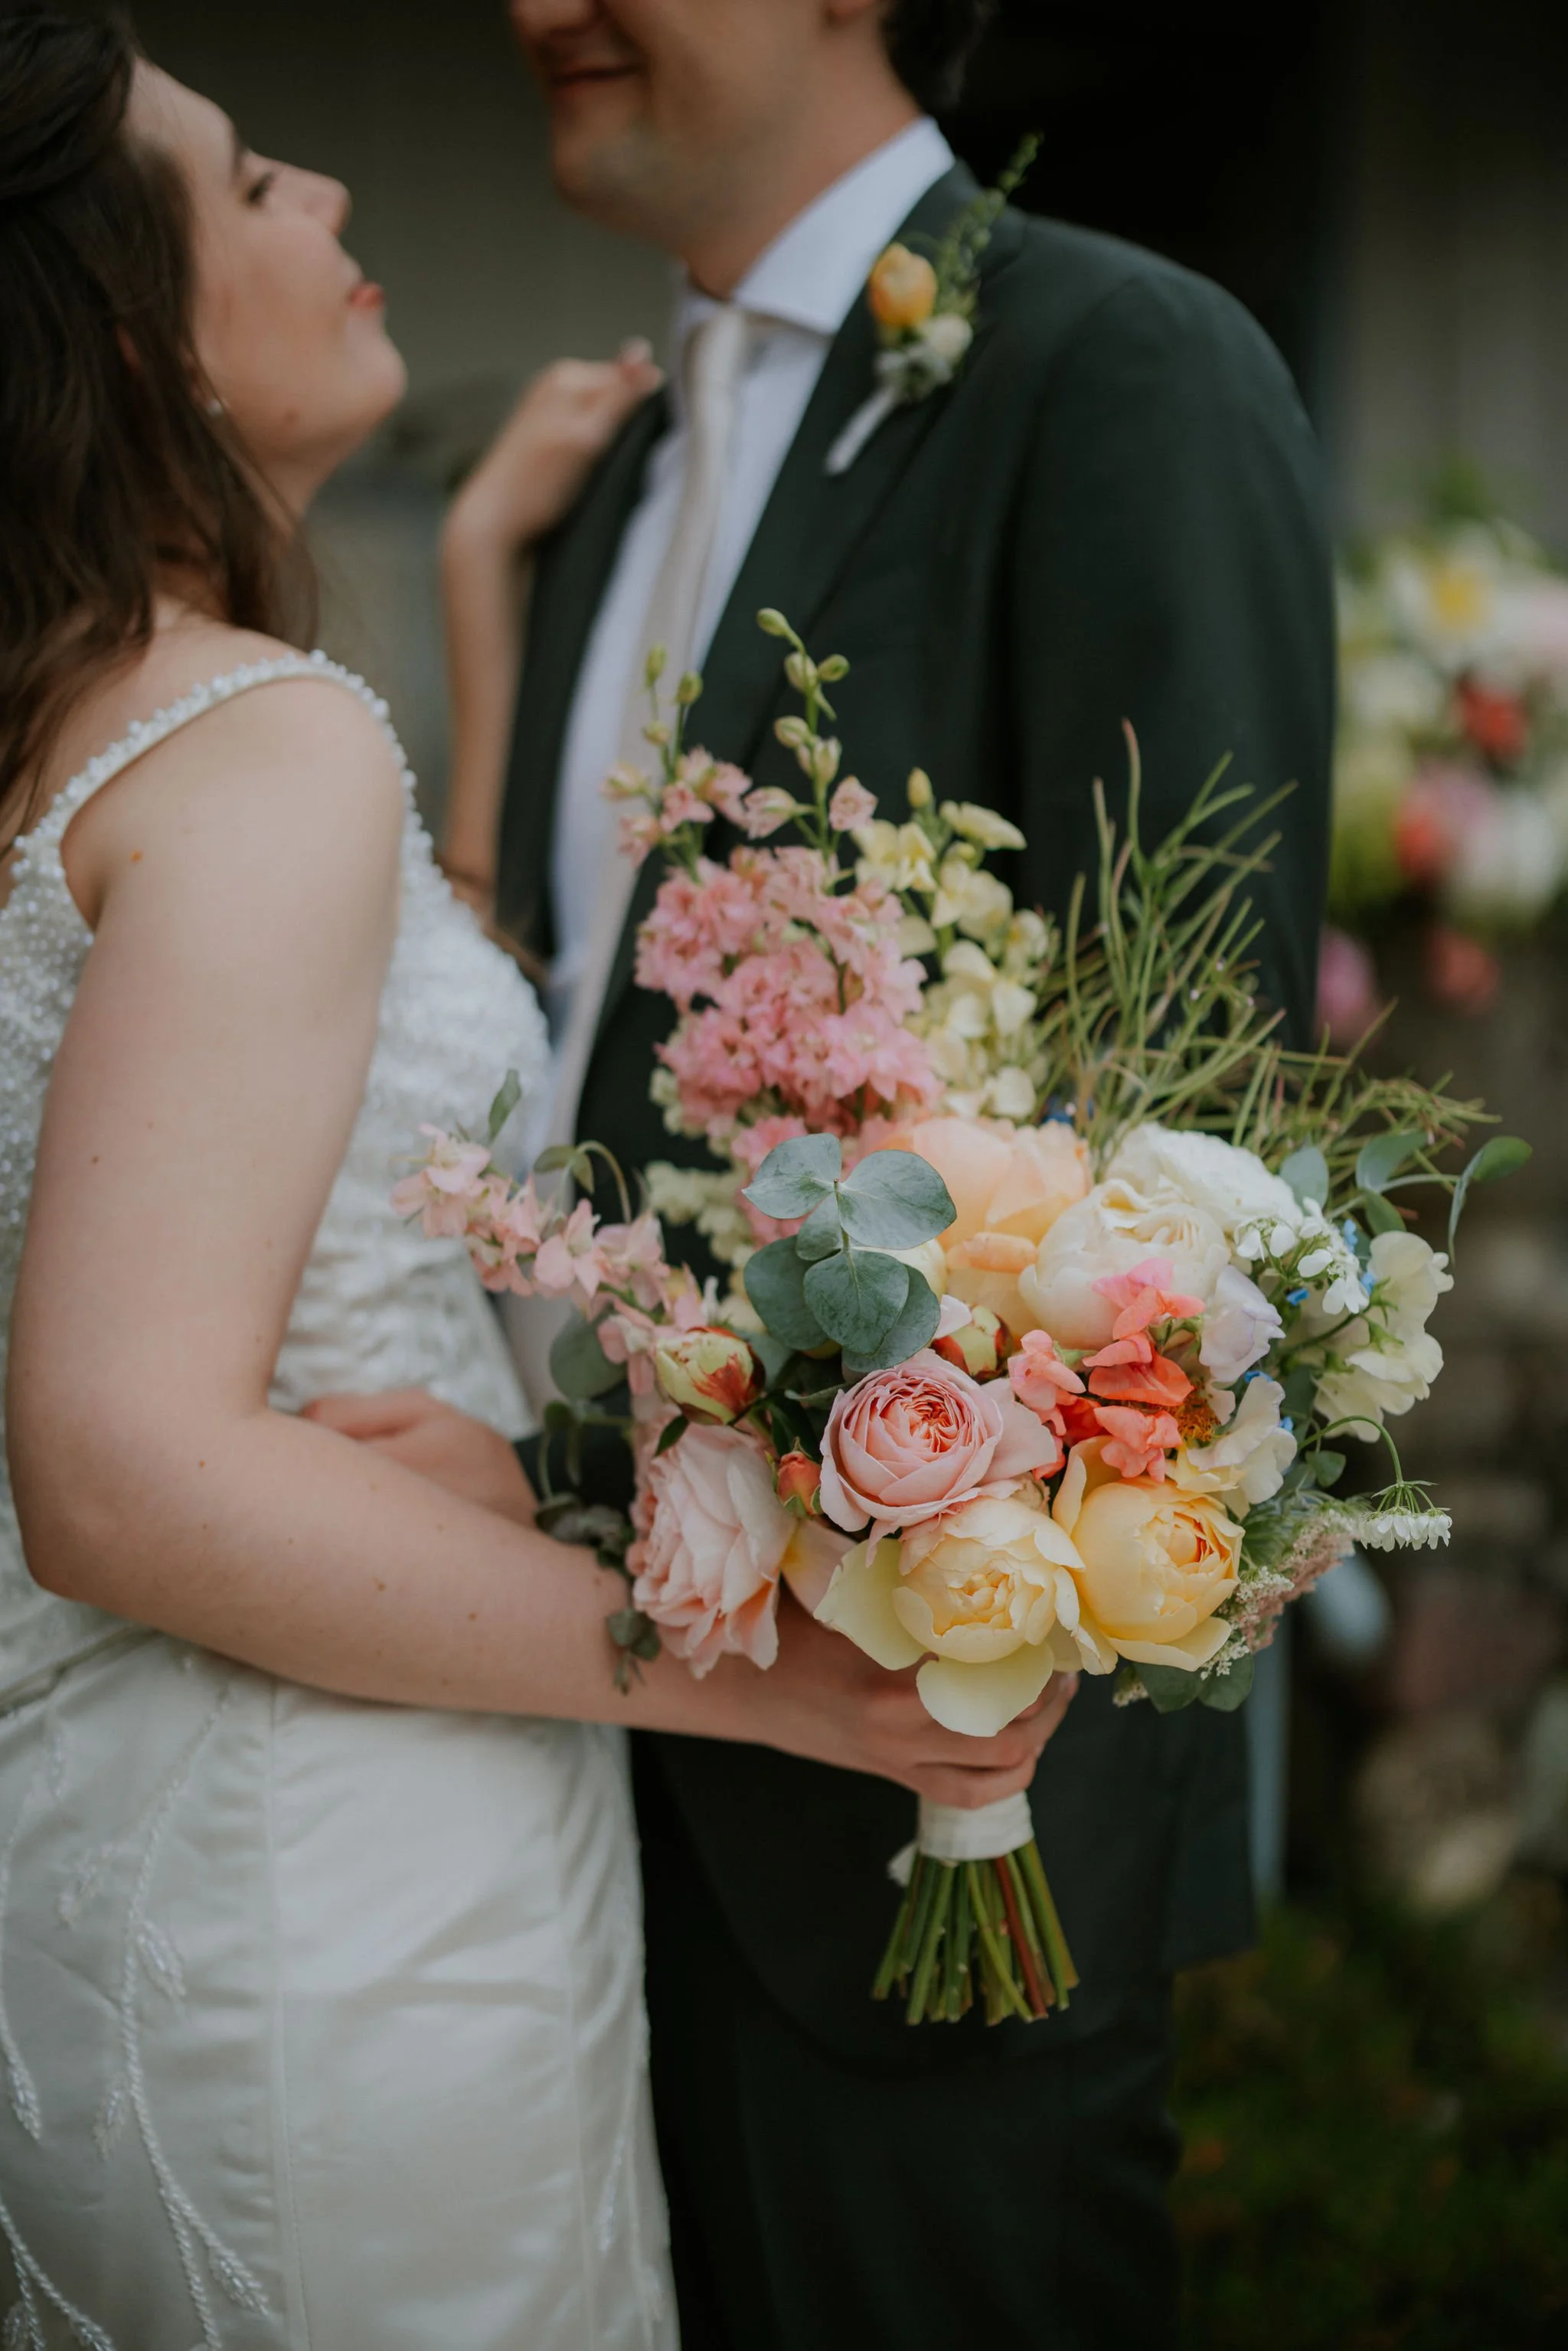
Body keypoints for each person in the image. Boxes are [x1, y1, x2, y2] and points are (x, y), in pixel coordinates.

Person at [0, 12, 1069, 2346]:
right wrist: (776, 1679)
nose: (339, 206)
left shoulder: (88, 732)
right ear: (119, 328)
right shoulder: (255, 746)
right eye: (262, 183)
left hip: (114, 1863)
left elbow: (337, 1087)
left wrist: (484, 594)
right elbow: (114, 1462)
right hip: (338, 1873)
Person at [383, 1, 1334, 2344]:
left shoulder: (1117, 366)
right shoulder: (620, 463)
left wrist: (975, 1671)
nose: (535, 10)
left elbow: (1198, 1143)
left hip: (926, 1812)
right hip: (578, 1752)